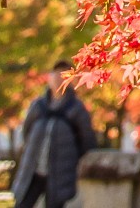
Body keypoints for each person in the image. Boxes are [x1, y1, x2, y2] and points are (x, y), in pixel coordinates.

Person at [11, 61, 94, 208]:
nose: (58, 79)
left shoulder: (77, 109)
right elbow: (27, 131)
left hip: (60, 174)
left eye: (63, 76)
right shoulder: (38, 106)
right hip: (33, 170)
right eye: (55, 75)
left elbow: (87, 141)